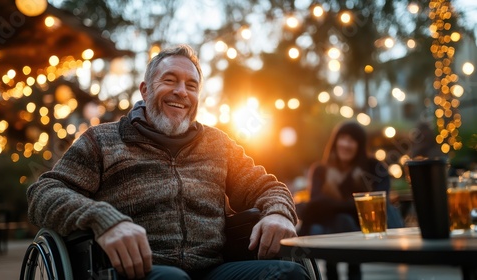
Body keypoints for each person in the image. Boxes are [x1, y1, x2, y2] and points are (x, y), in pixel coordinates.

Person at [27, 44, 310, 280]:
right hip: (134, 269)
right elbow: (43, 194)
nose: (181, 92)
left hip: (214, 269)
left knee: (289, 273)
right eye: (170, 80)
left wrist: (278, 213)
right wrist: (104, 220)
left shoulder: (218, 145)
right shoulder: (102, 141)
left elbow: (268, 187)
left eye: (191, 85)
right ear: (146, 90)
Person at [298, 121, 403, 280]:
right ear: (335, 141)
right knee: (342, 219)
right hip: (328, 229)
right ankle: (341, 274)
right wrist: (356, 202)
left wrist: (332, 204)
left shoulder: (373, 167)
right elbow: (316, 203)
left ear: (360, 145)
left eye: (352, 140)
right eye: (343, 138)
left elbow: (378, 201)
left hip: (363, 229)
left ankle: (350, 273)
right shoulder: (321, 170)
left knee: (344, 219)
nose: (346, 144)